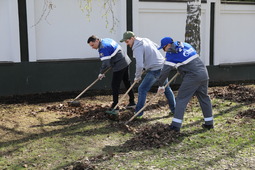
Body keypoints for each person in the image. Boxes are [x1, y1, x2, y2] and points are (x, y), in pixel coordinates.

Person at [157, 37, 214, 132]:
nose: (164, 50)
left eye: (163, 48)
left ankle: (175, 126)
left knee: (181, 99)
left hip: (192, 77)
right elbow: (189, 59)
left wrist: (161, 85)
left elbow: (164, 72)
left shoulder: (171, 54)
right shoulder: (186, 45)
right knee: (204, 97)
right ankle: (209, 123)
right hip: (203, 73)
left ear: (168, 45)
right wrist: (182, 68)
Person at [120, 31, 176, 118]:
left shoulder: (137, 47)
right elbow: (157, 47)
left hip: (155, 70)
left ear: (132, 38)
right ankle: (175, 111)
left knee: (142, 89)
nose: (127, 44)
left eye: (127, 41)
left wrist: (137, 76)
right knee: (167, 89)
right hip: (162, 66)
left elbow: (139, 65)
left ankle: (139, 113)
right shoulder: (145, 39)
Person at [87, 35, 136, 111]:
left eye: (92, 45)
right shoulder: (106, 39)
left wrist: (101, 73)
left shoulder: (103, 48)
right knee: (127, 82)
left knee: (115, 85)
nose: (92, 47)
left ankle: (115, 105)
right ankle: (132, 102)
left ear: (97, 41)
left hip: (119, 64)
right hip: (125, 60)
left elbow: (106, 63)